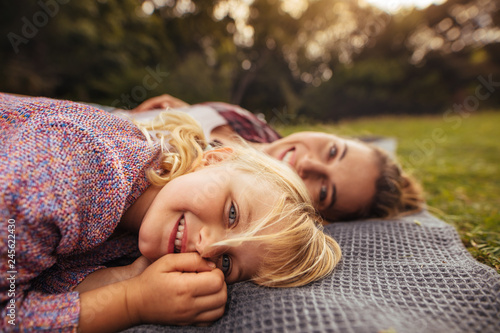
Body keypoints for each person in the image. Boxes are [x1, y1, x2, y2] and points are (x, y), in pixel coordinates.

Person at [0, 94, 341, 332]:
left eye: (226, 262)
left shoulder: (146, 220)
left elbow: (38, 277)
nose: (208, 248)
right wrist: (132, 301)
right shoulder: (65, 168)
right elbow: (9, 314)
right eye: (232, 214)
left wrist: (128, 276)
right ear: (215, 159)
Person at [122, 94, 425, 222]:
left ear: (319, 216)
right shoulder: (254, 125)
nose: (309, 164)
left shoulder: (219, 196)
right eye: (333, 151)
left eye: (324, 190)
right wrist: (180, 112)